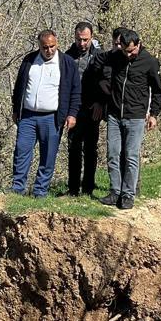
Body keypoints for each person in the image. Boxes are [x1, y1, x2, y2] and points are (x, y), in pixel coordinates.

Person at [98, 28, 161, 210]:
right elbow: (100, 66)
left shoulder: (149, 62)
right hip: (114, 114)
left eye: (131, 51)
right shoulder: (116, 57)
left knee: (131, 156)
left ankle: (128, 194)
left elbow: (157, 91)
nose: (128, 54)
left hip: (135, 117)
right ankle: (114, 192)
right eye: (125, 50)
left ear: (138, 44)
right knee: (112, 153)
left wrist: (154, 114)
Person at [11, 29, 81, 198]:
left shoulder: (66, 63)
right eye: (45, 47)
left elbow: (75, 91)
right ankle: (17, 189)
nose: (49, 50)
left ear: (57, 43)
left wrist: (72, 114)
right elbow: (19, 85)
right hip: (27, 115)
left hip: (52, 117)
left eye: (52, 46)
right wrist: (15, 108)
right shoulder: (29, 60)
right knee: (21, 151)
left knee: (48, 156)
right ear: (39, 46)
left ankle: (40, 191)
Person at [65, 21, 104, 196]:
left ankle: (88, 188)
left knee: (90, 149)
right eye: (79, 39)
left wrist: (100, 102)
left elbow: (106, 82)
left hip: (92, 109)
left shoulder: (100, 56)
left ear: (91, 38)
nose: (82, 44)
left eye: (85, 40)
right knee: (73, 148)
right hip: (73, 110)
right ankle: (73, 188)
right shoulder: (67, 56)